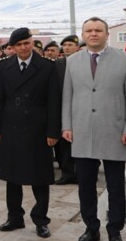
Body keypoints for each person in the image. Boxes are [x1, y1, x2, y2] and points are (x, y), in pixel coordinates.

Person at [62, 17, 126, 241]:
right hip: (82, 132)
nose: (93, 34)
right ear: (83, 35)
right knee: (85, 186)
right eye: (89, 31)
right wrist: (67, 125)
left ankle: (114, 231)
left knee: (115, 187)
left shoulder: (125, 60)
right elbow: (68, 96)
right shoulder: (72, 61)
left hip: (115, 132)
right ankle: (91, 228)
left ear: (107, 34)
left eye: (98, 30)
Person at [0, 28, 60, 238]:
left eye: (27, 43)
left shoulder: (47, 67)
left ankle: (41, 220)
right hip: (11, 125)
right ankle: (15, 217)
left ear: (32, 43)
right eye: (19, 44)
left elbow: (54, 101)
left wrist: (53, 130)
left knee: (39, 177)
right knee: (12, 177)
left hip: (38, 127)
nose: (23, 48)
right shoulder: (4, 67)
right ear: (12, 47)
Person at [54, 34, 80, 185]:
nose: (67, 47)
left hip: (81, 108)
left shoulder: (84, 62)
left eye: (70, 45)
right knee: (64, 144)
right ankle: (67, 173)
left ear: (77, 47)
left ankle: (87, 173)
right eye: (65, 45)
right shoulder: (58, 64)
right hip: (63, 108)